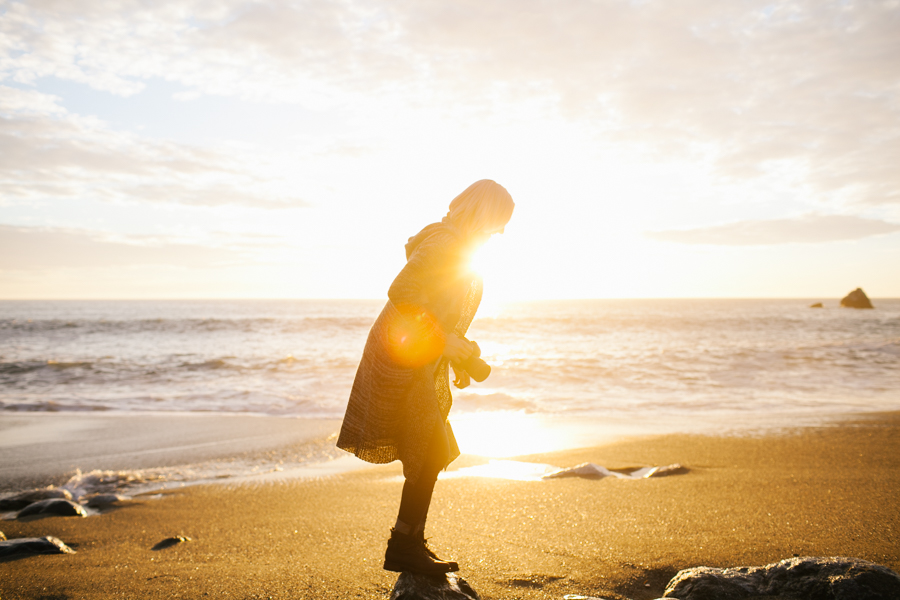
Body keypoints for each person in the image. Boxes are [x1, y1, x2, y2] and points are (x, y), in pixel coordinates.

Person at [336, 179, 515, 575]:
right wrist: (443, 342)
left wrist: (457, 349)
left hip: (417, 351)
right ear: (482, 213)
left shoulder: (454, 244)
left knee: (428, 448)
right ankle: (403, 546)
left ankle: (409, 542)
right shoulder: (445, 243)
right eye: (499, 221)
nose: (500, 231)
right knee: (429, 447)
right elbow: (402, 291)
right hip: (403, 354)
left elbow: (438, 307)